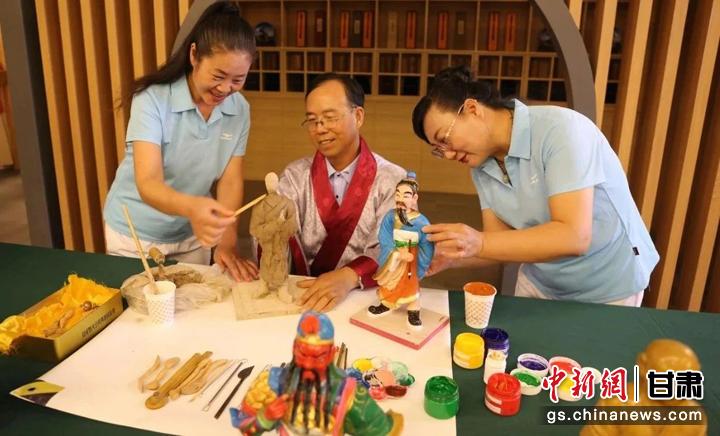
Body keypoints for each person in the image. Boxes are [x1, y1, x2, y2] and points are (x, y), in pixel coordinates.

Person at [413, 66, 659, 306]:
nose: (448, 154)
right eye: (439, 149)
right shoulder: (481, 165)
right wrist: (451, 257)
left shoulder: (561, 130)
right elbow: (497, 241)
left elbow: (574, 237)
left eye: (445, 139)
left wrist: (478, 242)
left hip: (607, 284)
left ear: (472, 109)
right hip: (541, 282)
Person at [103, 2, 258, 282]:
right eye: (218, 76)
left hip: (192, 237)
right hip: (135, 236)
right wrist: (193, 208)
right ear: (194, 55)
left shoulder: (239, 109)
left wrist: (227, 241)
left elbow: (230, 181)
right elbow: (148, 181)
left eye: (238, 79)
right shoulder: (152, 100)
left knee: (194, 305)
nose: (225, 89)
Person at [277, 73, 406, 312]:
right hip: (305, 296)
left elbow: (395, 246)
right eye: (312, 120)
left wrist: (350, 276)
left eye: (330, 118)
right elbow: (278, 242)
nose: (320, 128)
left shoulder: (394, 179)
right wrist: (269, 230)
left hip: (363, 296)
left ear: (358, 116)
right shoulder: (294, 176)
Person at [230, 311, 403, 435]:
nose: (308, 364)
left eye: (318, 357)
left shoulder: (348, 393)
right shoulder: (272, 383)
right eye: (302, 354)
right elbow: (246, 428)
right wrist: (265, 418)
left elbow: (380, 431)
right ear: (294, 348)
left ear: (332, 353)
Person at [369, 173, 434, 328]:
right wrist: (396, 253)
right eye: (397, 194)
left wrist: (418, 258)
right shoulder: (390, 217)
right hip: (394, 255)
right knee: (390, 281)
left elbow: (427, 243)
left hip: (412, 257)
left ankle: (413, 309)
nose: (400, 199)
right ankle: (386, 303)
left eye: (405, 195)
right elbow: (384, 236)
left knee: (411, 284)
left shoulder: (421, 221)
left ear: (414, 198)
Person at [249, 172, 297, 302]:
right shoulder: (260, 205)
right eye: (269, 182)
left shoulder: (288, 204)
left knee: (281, 263)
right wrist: (276, 224)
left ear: (278, 183)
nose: (271, 184)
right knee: (265, 262)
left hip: (280, 244)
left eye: (274, 181)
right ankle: (263, 285)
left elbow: (293, 227)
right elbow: (254, 229)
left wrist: (282, 230)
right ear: (265, 184)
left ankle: (282, 288)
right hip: (266, 244)